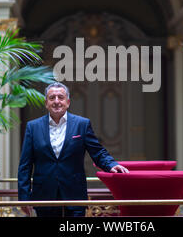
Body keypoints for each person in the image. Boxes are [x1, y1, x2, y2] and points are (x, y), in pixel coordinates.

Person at [18, 82, 129, 217]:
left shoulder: (82, 124)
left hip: (74, 193)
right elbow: (25, 165)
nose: (57, 101)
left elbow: (98, 152)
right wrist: (23, 198)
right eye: (52, 98)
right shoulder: (33, 127)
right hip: (44, 195)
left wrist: (111, 164)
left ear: (68, 102)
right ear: (46, 102)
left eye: (61, 97)